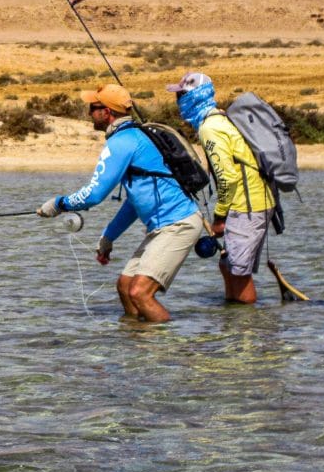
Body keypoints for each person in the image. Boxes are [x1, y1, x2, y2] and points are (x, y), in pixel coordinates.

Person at [37, 84, 203, 322]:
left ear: (107, 112)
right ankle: (138, 350)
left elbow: (94, 195)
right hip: (161, 227)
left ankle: (167, 352)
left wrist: (58, 204)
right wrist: (108, 236)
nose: (89, 112)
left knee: (140, 293)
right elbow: (135, 202)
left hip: (178, 224)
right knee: (125, 287)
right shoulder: (132, 136)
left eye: (93, 107)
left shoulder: (122, 142)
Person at [167, 72, 274, 304]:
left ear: (194, 97)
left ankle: (246, 331)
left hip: (246, 206)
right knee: (228, 265)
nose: (178, 103)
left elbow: (228, 178)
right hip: (253, 202)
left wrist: (219, 217)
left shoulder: (210, 127)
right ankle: (233, 330)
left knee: (238, 273)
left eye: (181, 96)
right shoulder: (220, 118)